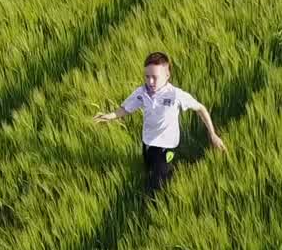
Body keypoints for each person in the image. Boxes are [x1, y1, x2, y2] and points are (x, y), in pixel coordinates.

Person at [94, 51, 227, 197]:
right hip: (147, 144)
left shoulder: (175, 95)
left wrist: (212, 134)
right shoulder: (141, 92)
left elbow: (201, 108)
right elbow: (126, 109)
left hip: (166, 147)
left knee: (156, 188)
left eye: (155, 77)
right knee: (149, 172)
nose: (150, 82)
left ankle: (157, 201)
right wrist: (109, 116)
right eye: (147, 76)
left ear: (167, 75)